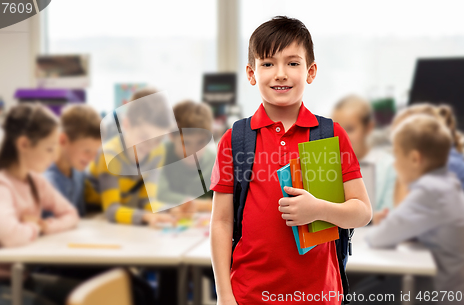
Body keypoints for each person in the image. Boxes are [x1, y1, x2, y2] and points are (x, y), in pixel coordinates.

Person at [209, 16, 372, 305]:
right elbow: (221, 222)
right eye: (268, 63)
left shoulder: (327, 135)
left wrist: (318, 209)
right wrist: (224, 295)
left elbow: (362, 212)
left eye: (293, 63)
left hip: (320, 295)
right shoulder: (236, 140)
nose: (280, 73)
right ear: (251, 73)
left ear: (310, 72)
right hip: (249, 295)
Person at [0, 104, 79, 305]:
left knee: (87, 295)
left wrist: (47, 226)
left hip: (17, 276)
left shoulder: (35, 181)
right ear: (23, 144)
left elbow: (70, 213)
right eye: (49, 148)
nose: (54, 156)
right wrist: (35, 226)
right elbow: (11, 236)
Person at [366, 114, 464, 304]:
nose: (395, 164)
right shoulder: (447, 183)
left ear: (415, 159)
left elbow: (378, 238)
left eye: (397, 155)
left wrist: (382, 226)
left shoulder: (429, 191)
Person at [85, 87, 176, 226]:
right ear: (126, 124)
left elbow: (147, 201)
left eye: (158, 139)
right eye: (144, 136)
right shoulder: (110, 155)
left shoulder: (158, 152)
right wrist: (147, 217)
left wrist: (172, 210)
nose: (150, 146)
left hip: (119, 216)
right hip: (91, 215)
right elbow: (111, 210)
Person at [332, 95, 397, 217]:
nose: (342, 137)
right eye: (336, 130)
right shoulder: (326, 164)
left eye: (350, 129)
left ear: (368, 128)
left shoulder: (389, 167)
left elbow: (391, 217)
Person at [157, 100, 215, 216]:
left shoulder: (215, 162)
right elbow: (159, 194)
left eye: (201, 142)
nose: (194, 151)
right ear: (171, 137)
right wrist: (204, 205)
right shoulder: (159, 155)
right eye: (186, 143)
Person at [44, 104, 102, 217]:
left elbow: (80, 217)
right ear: (63, 140)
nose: (92, 158)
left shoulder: (78, 173)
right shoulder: (46, 182)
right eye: (87, 151)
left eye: (96, 152)